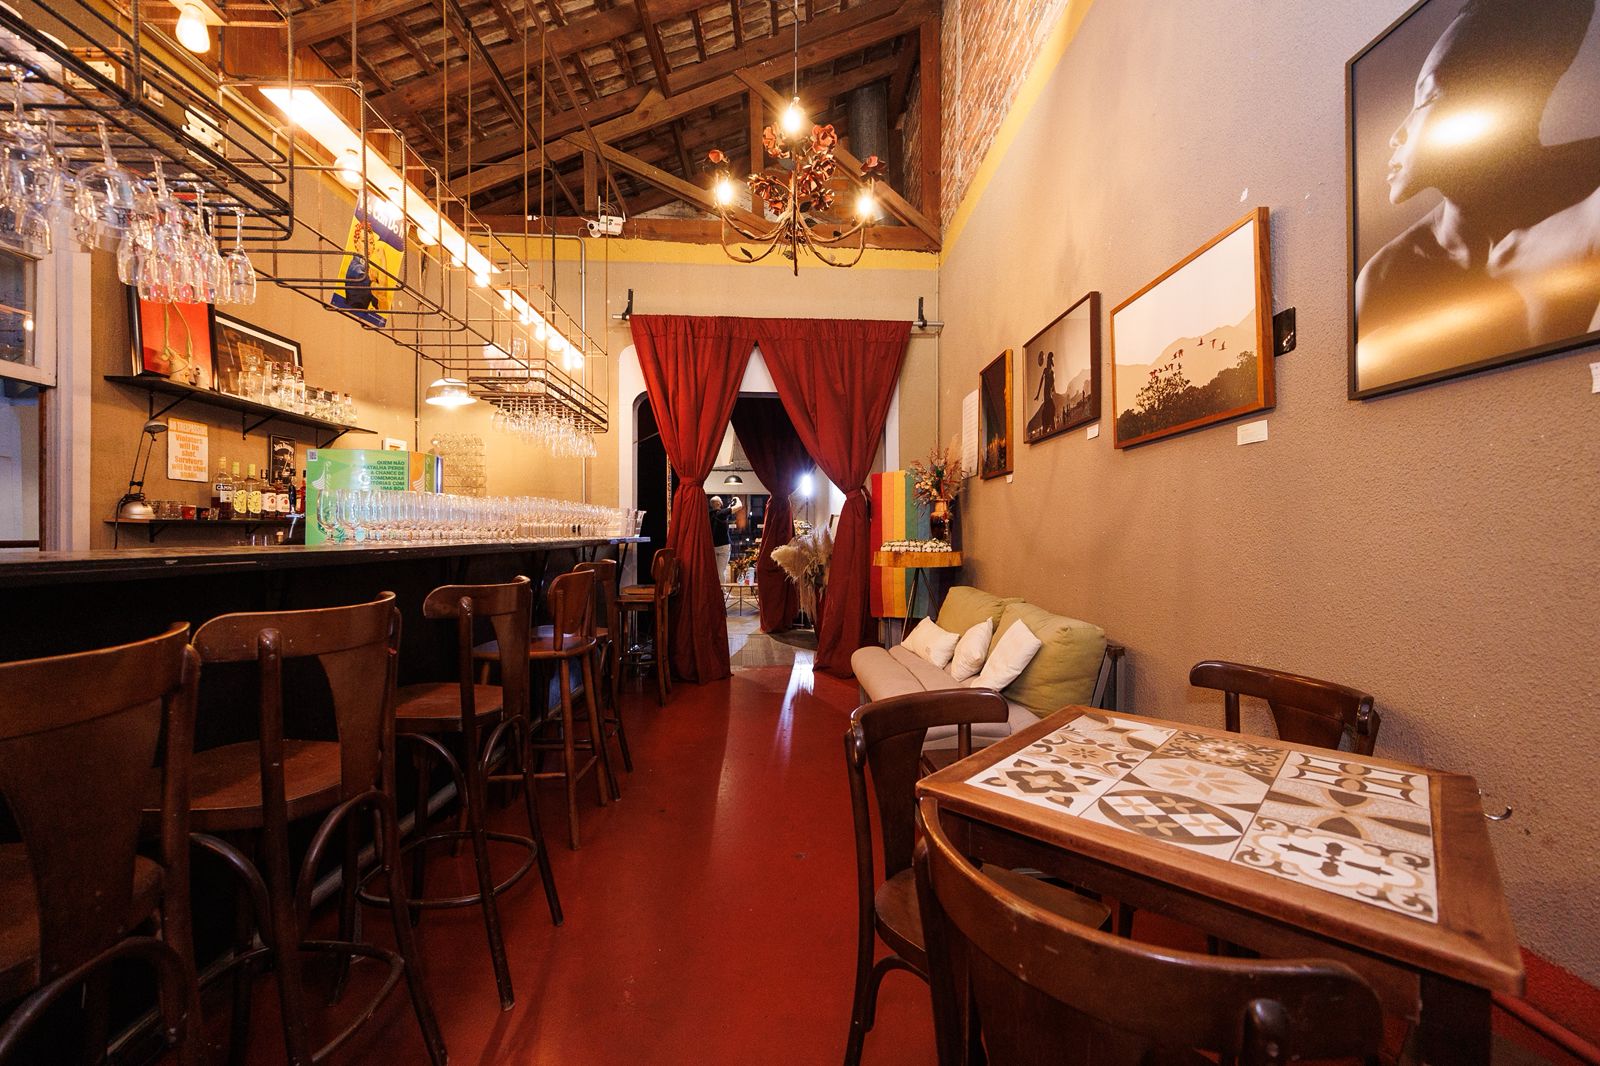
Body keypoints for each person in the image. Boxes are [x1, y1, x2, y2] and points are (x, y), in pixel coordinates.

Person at [1355, 0, 1600, 389]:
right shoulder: (1387, 276)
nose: (1396, 135)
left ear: (1504, 101)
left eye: (1427, 97)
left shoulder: (1590, 218)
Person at [709, 495, 732, 585]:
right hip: (724, 545)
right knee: (721, 570)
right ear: (718, 503)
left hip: (713, 546)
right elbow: (739, 506)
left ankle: (714, 589)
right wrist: (736, 499)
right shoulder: (722, 513)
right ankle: (722, 590)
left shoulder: (709, 514)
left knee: (714, 570)